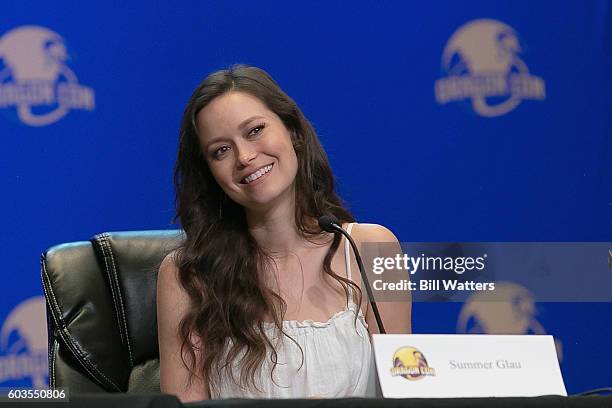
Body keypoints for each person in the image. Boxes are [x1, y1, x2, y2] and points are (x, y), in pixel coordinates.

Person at [157, 65, 411, 401]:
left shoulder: (372, 249)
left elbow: (404, 396)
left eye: (255, 130)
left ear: (292, 130)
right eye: (221, 150)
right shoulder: (187, 276)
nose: (245, 157)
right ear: (209, 174)